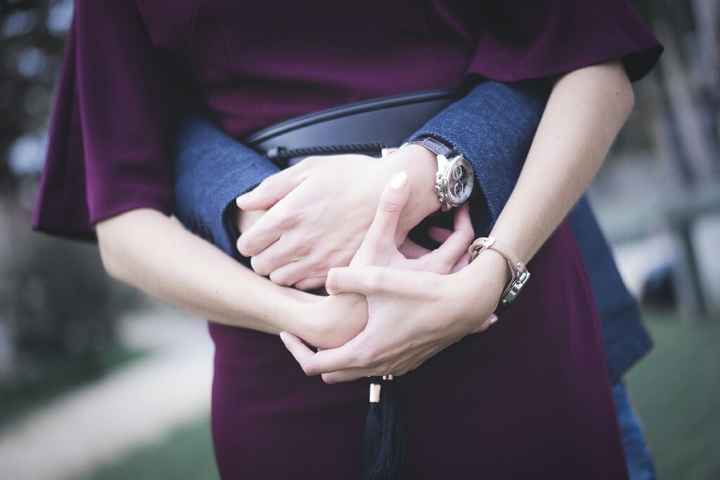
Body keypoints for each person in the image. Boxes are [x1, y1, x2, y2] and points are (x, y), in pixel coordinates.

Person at [32, 1, 662, 478]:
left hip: (507, 312)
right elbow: (123, 219)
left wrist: (480, 269)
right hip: (291, 368)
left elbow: (596, 63)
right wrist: (312, 315)